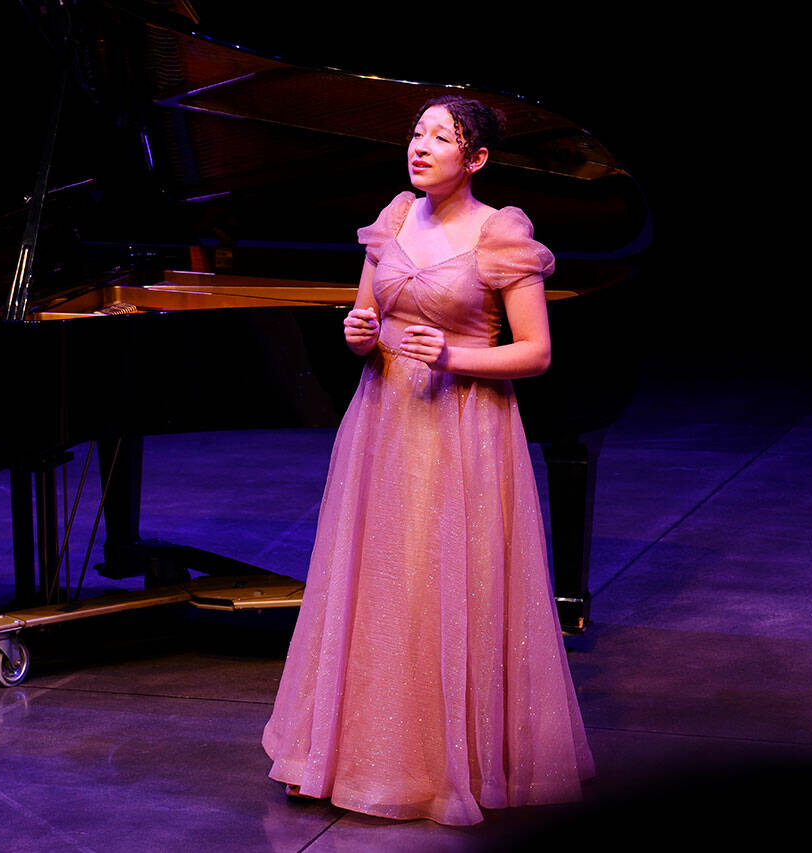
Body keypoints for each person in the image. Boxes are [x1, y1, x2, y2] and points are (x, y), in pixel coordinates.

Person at [262, 95, 595, 825]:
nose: (421, 147)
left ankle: (446, 764)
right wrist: (358, 335)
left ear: (474, 158)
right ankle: (347, 754)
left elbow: (536, 352)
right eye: (417, 134)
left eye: (441, 138)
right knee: (375, 580)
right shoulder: (391, 220)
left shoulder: (499, 233)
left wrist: (456, 355)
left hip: (464, 425)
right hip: (383, 423)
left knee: (444, 581)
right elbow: (368, 321)